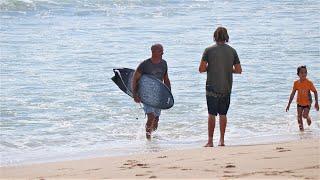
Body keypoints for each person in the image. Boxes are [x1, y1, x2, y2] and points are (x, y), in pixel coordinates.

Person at [199, 27, 242, 147]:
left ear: (214, 36)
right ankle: (222, 140)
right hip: (226, 87)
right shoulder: (232, 51)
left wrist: (212, 68)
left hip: (212, 87)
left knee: (211, 114)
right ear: (226, 36)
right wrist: (227, 69)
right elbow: (238, 70)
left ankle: (210, 141)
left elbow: (201, 69)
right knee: (223, 114)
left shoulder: (208, 50)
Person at [132, 44, 171, 139]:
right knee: (151, 116)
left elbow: (166, 79)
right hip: (146, 94)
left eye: (162, 50)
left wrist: (169, 94)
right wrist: (135, 94)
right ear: (153, 52)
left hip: (159, 95)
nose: (163, 53)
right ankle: (148, 139)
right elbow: (135, 78)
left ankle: (152, 135)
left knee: (156, 119)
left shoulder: (164, 63)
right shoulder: (144, 64)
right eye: (160, 51)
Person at [286, 65, 319, 131]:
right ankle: (301, 131)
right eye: (301, 72)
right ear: (298, 74)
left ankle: (307, 117)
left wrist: (316, 103)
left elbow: (315, 92)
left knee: (304, 115)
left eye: (305, 72)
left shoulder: (309, 83)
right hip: (299, 102)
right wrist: (289, 104)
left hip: (308, 102)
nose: (304, 74)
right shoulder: (296, 83)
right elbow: (293, 94)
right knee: (299, 117)